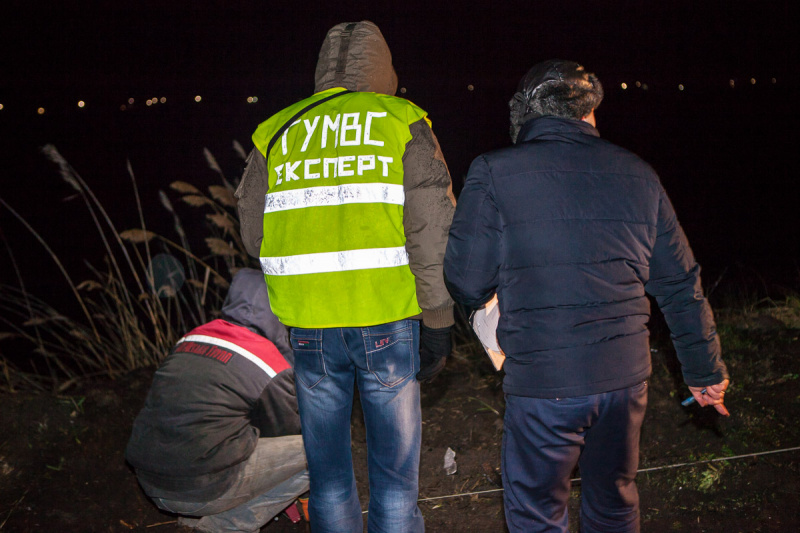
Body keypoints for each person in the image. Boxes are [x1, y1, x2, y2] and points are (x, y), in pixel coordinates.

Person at [443, 59, 730, 533]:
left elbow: (467, 279)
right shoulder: (639, 173)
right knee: (614, 504)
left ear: (527, 114)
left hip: (543, 384)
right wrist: (704, 371)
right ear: (589, 112)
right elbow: (680, 284)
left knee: (537, 512)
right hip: (624, 380)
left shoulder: (494, 171)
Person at [235, 21, 455, 532]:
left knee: (329, 476)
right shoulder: (400, 119)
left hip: (310, 324)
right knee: (395, 478)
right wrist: (439, 316)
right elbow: (432, 227)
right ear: (385, 68)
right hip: (387, 318)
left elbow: (254, 233)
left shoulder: (278, 130)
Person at [125, 268, 309, 533]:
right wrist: (304, 495)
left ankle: (189, 522)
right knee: (323, 449)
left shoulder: (191, 337)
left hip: (150, 480)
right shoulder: (269, 361)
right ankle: (227, 525)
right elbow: (289, 428)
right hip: (199, 490)